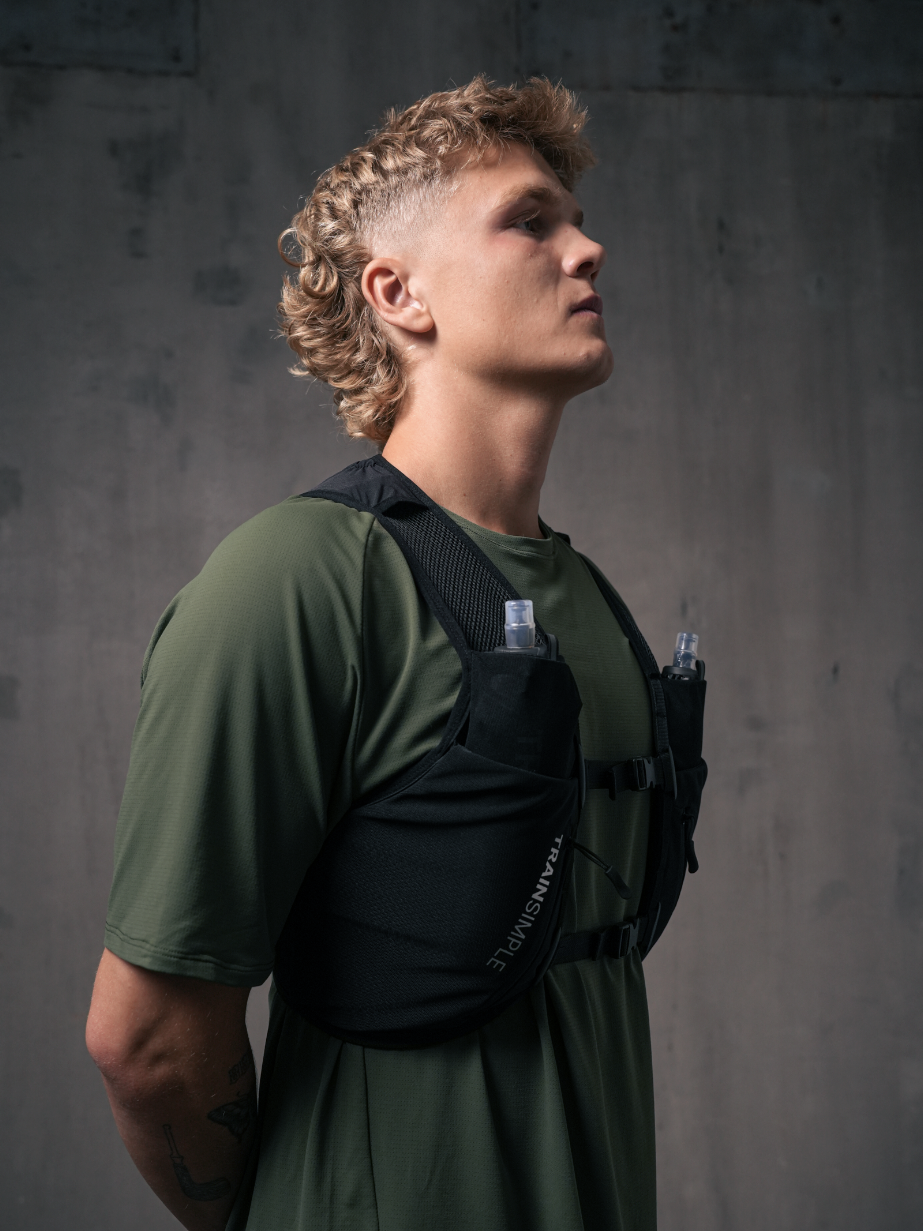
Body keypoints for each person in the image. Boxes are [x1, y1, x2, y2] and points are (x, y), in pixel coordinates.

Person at [86, 76, 660, 1231]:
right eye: (528, 221)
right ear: (398, 294)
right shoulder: (297, 578)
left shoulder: (590, 600)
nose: (586, 249)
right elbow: (147, 1039)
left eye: (575, 219)